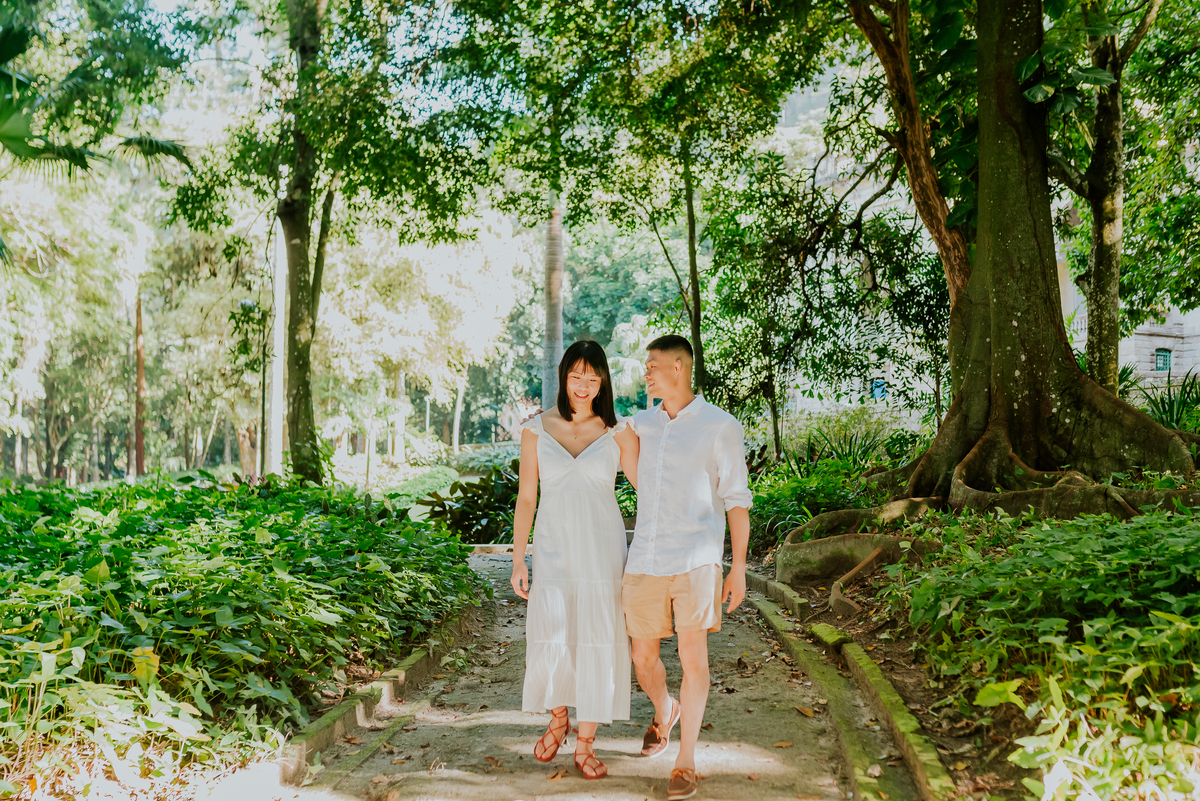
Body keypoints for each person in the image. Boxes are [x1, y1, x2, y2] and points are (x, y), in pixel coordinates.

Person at [622, 334, 752, 801]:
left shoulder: (719, 426)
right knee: (642, 657)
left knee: (694, 658)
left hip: (697, 559)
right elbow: (596, 432)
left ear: (679, 368)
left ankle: (686, 759)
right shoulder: (641, 423)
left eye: (652, 366)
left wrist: (737, 568)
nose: (647, 374)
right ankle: (665, 708)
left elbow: (737, 501)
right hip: (646, 558)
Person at [510, 340, 640, 780]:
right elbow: (527, 498)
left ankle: (585, 742)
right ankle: (559, 715)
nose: (583, 386)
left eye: (592, 377)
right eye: (575, 376)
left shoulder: (618, 432)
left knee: (598, 637)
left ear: (602, 381)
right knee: (553, 633)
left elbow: (649, 488)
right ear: (564, 377)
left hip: (603, 551)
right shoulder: (536, 430)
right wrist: (518, 559)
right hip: (552, 548)